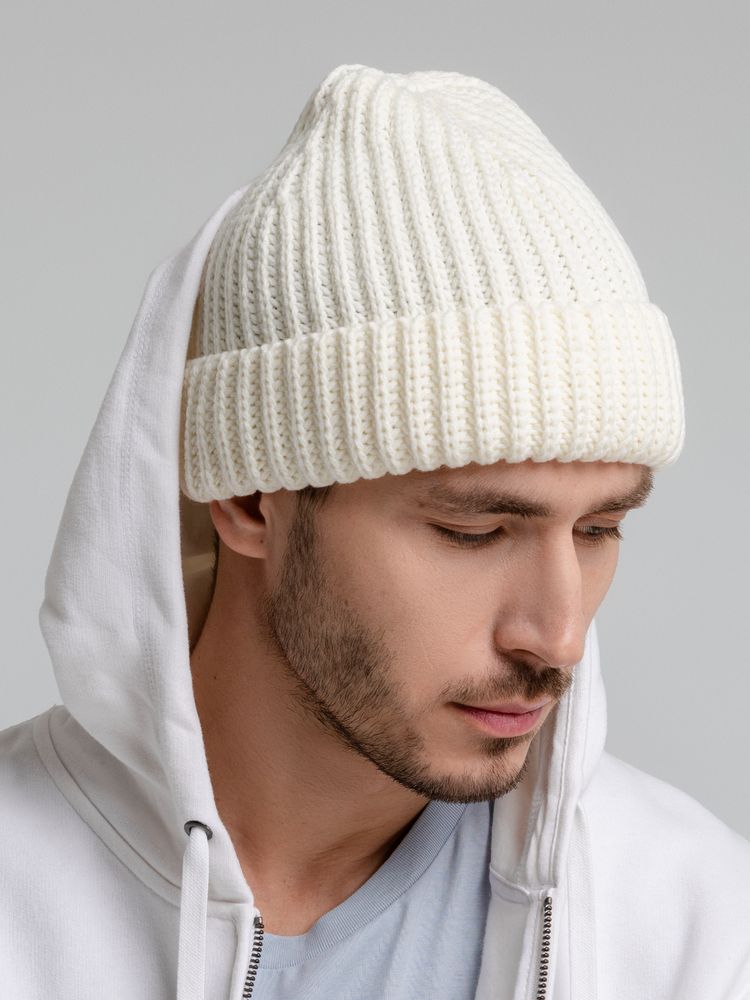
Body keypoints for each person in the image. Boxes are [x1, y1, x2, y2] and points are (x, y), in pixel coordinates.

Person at [1, 62, 748, 1000]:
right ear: (253, 496)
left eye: (599, 529)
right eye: (475, 530)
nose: (556, 637)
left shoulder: (699, 932)